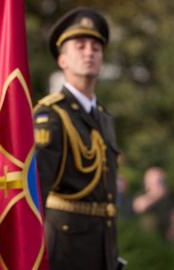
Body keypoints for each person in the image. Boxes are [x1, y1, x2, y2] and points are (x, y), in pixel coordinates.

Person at [34, 7, 122, 270]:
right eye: (80, 45)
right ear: (62, 60)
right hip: (64, 247)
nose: (89, 52)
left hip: (101, 246)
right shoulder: (50, 114)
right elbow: (37, 192)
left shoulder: (104, 117)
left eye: (96, 47)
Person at [133, 167, 174, 242]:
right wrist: (155, 196)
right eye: (158, 181)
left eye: (161, 181)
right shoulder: (142, 194)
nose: (161, 184)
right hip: (147, 236)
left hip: (166, 236)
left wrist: (173, 231)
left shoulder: (169, 198)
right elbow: (138, 207)